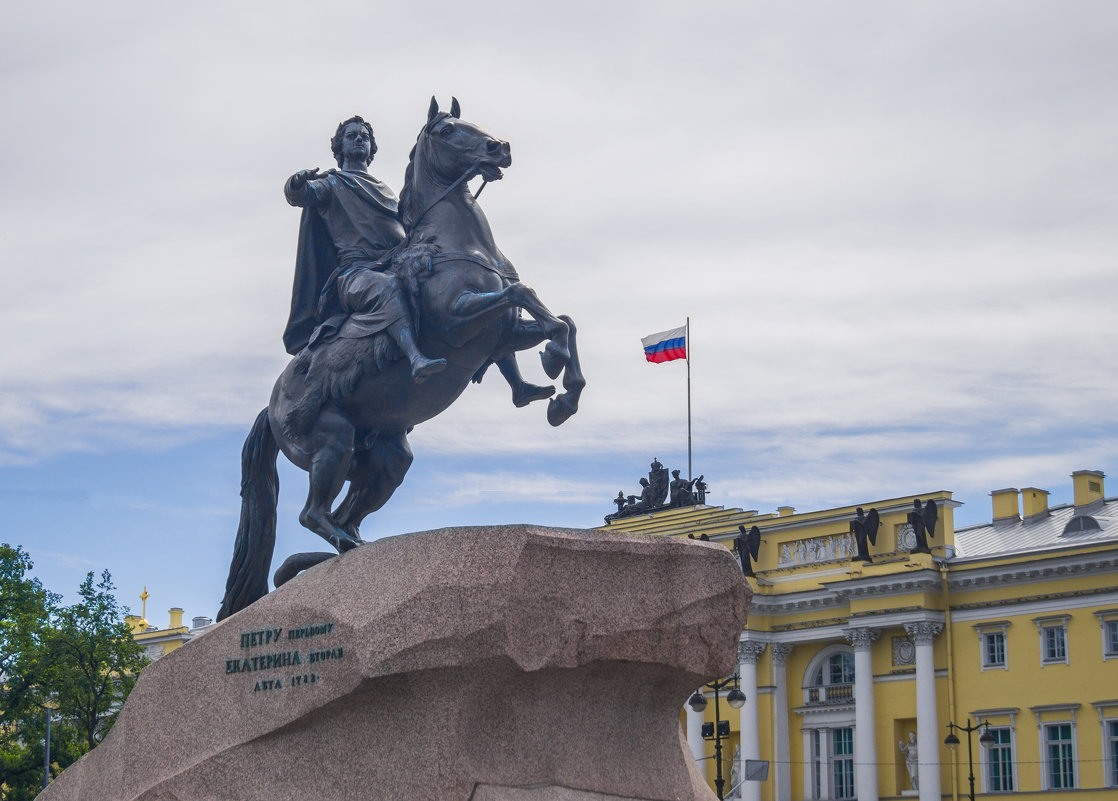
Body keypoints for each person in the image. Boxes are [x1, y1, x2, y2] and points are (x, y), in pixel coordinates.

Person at [283, 115, 445, 383]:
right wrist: (295, 184)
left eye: (365, 136)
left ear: (371, 149)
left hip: (393, 262)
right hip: (354, 274)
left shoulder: (388, 191)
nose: (359, 139)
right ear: (339, 147)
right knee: (387, 287)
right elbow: (302, 196)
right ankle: (415, 358)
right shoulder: (332, 183)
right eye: (352, 135)